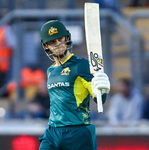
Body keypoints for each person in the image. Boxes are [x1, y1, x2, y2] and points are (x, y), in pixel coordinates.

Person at [38, 20, 110, 150]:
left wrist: (101, 89)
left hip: (78, 131)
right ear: (46, 46)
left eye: (60, 39)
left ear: (67, 38)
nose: (57, 44)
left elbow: (99, 99)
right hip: (53, 131)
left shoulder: (81, 65)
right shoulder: (50, 71)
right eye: (52, 42)